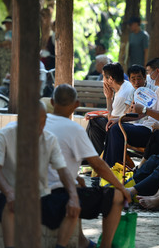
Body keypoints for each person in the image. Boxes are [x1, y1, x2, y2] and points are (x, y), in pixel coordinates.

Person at [44, 84, 131, 248]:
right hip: (58, 196)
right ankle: (105, 246)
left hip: (35, 191)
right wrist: (121, 187)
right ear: (76, 104)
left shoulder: (40, 124)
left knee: (79, 185)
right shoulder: (73, 129)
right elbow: (98, 165)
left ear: (52, 101)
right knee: (116, 196)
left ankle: (82, 241)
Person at [0, 102, 81, 248]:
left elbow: (63, 170)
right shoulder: (4, 135)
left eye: (43, 121)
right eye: (35, 123)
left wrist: (74, 196)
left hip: (39, 196)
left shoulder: (49, 139)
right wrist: (9, 192)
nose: (40, 127)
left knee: (72, 205)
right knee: (13, 204)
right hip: (6, 195)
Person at [103, 58, 159, 167]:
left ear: (157, 72)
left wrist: (144, 109)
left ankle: (113, 171)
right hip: (148, 127)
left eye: (148, 73)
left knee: (116, 129)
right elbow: (144, 114)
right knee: (114, 126)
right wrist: (119, 119)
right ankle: (107, 170)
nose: (148, 77)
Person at [86, 62, 135, 154]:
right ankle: (95, 156)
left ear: (111, 79)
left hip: (124, 127)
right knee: (94, 127)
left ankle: (96, 157)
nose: (103, 80)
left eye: (104, 77)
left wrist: (108, 98)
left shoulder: (122, 95)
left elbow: (111, 119)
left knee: (94, 122)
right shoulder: (125, 85)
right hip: (120, 123)